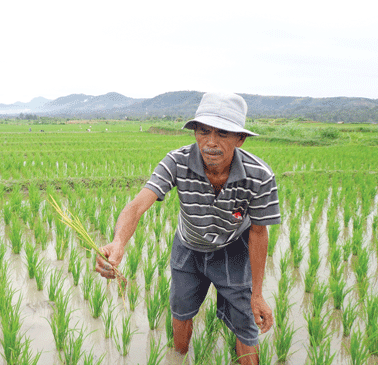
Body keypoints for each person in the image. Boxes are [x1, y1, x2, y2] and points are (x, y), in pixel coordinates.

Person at [95, 92, 281, 365]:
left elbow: (258, 232)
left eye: (223, 133)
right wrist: (119, 242)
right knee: (181, 312)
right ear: (194, 132)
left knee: (246, 320)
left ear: (240, 139)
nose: (211, 143)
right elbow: (137, 205)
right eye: (204, 132)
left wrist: (257, 293)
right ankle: (179, 356)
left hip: (232, 249)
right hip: (188, 248)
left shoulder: (260, 176)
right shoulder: (176, 161)